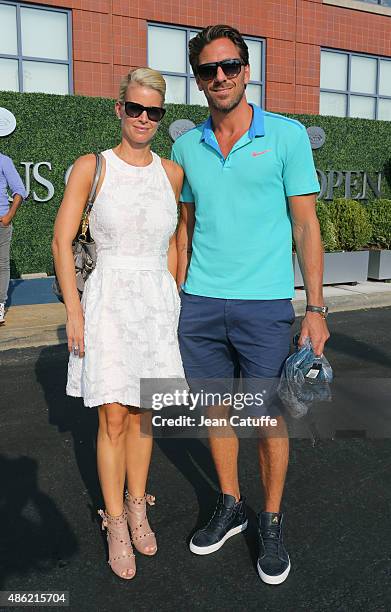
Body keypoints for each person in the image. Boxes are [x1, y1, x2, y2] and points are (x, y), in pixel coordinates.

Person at [172, 25, 330, 585]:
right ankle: (232, 504)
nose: (220, 77)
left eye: (230, 66)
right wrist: (177, 298)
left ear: (246, 69)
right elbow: (184, 232)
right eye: (208, 70)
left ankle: (270, 518)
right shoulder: (186, 145)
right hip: (200, 303)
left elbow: (306, 225)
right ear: (197, 78)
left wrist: (316, 309)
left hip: (264, 305)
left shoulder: (285, 137)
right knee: (216, 411)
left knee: (265, 419)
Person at [52, 68, 185, 580]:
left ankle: (138, 506)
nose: (144, 119)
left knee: (144, 416)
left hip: (155, 303)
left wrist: (171, 295)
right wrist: (74, 309)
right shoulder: (93, 166)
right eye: (136, 108)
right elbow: (61, 242)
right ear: (119, 109)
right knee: (112, 417)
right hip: (107, 300)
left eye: (154, 111)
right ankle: (114, 522)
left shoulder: (171, 174)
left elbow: (177, 244)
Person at [0, 153, 27, 324]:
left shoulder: (4, 160)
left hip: (1, 222)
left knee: (1, 264)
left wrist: (9, 216)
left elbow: (20, 190)